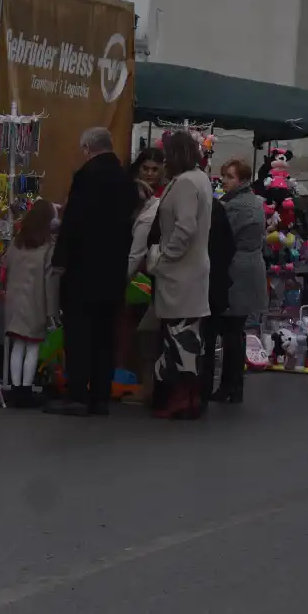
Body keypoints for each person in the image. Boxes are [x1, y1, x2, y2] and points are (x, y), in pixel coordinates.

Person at [47, 127, 139, 417]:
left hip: (84, 268)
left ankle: (77, 394)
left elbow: (74, 221)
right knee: (105, 335)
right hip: (113, 269)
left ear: (87, 147)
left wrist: (60, 258)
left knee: (78, 332)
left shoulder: (86, 176)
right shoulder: (126, 180)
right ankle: (100, 396)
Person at [145, 130, 211, 420]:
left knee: (178, 336)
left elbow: (185, 229)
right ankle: (191, 396)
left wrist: (163, 259)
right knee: (188, 337)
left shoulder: (184, 183)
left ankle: (182, 398)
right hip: (193, 270)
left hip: (180, 273)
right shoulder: (200, 179)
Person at [215, 157, 268, 404]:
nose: (224, 181)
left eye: (229, 177)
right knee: (236, 331)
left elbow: (223, 236)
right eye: (224, 176)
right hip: (250, 268)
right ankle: (233, 385)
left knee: (231, 331)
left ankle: (230, 385)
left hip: (238, 270)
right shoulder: (254, 202)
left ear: (243, 180)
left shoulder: (236, 206)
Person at [3, 198, 58, 408]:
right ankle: (26, 390)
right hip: (37, 302)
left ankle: (16, 389)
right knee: (32, 346)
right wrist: (52, 311)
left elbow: (6, 262)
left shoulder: (17, 243)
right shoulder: (47, 247)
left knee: (17, 345)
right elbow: (49, 280)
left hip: (15, 301)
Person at [124, 147, 165, 404]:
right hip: (138, 271)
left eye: (154, 169)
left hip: (148, 271)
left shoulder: (160, 199)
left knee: (148, 332)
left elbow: (139, 247)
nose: (150, 174)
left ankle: (149, 387)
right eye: (145, 168)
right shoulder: (132, 192)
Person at [198, 177, 237, 408]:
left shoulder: (199, 214)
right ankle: (205, 388)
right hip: (217, 285)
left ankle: (196, 388)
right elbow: (230, 248)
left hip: (201, 285)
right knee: (210, 340)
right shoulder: (219, 211)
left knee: (199, 339)